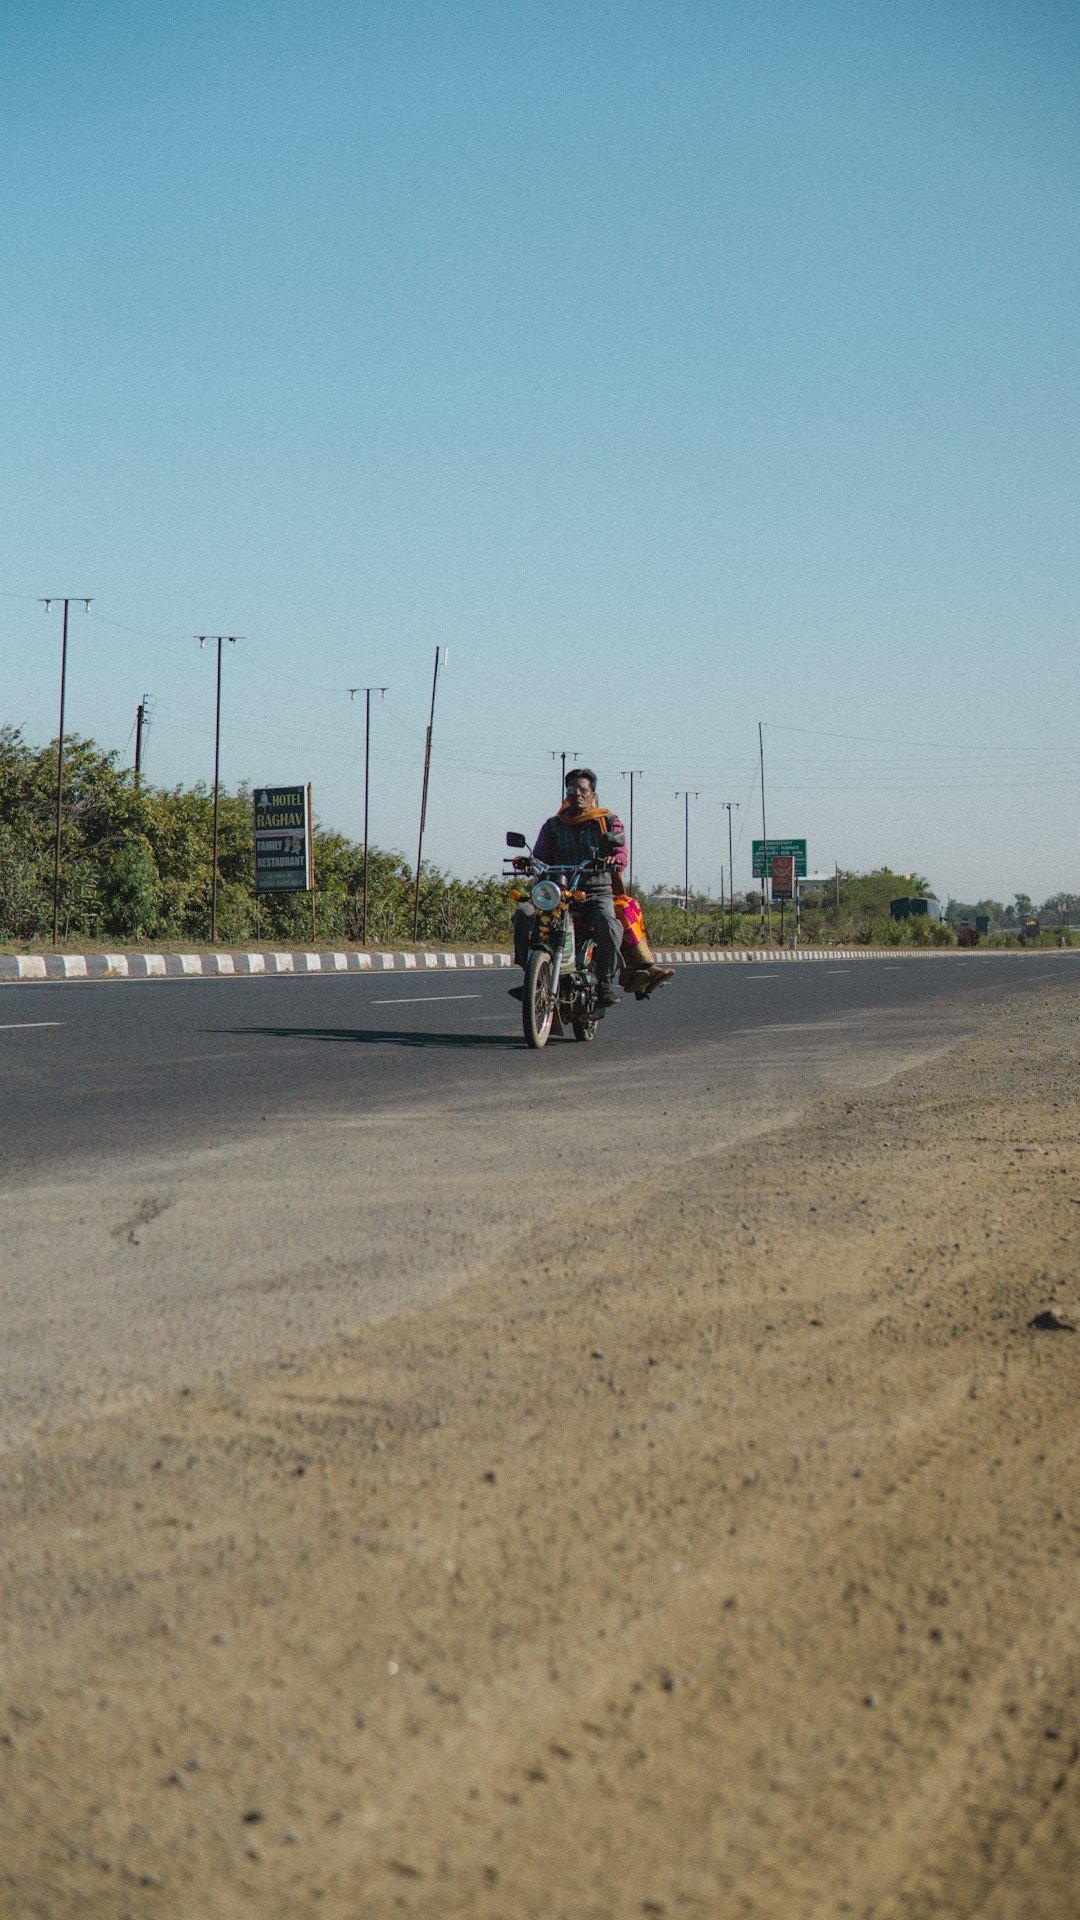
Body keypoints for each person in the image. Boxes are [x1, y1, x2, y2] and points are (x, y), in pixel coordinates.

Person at [511, 768, 627, 1007]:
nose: (577, 794)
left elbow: (620, 852)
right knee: (523, 915)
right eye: (572, 789)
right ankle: (531, 975)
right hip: (559, 894)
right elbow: (540, 856)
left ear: (592, 793)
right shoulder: (554, 825)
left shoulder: (607, 821)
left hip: (595, 893)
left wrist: (614, 859)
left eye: (582, 789)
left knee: (609, 922)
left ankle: (605, 981)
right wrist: (528, 862)